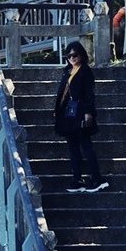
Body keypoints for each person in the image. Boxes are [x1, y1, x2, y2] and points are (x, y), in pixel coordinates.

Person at [53, 40, 108, 192]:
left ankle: (97, 178)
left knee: (86, 146)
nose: (72, 58)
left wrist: (88, 112)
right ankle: (77, 179)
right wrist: (57, 110)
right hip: (68, 114)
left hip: (81, 112)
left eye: (75, 55)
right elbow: (62, 93)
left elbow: (89, 94)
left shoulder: (85, 72)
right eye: (68, 55)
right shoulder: (67, 71)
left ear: (81, 55)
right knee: (73, 148)